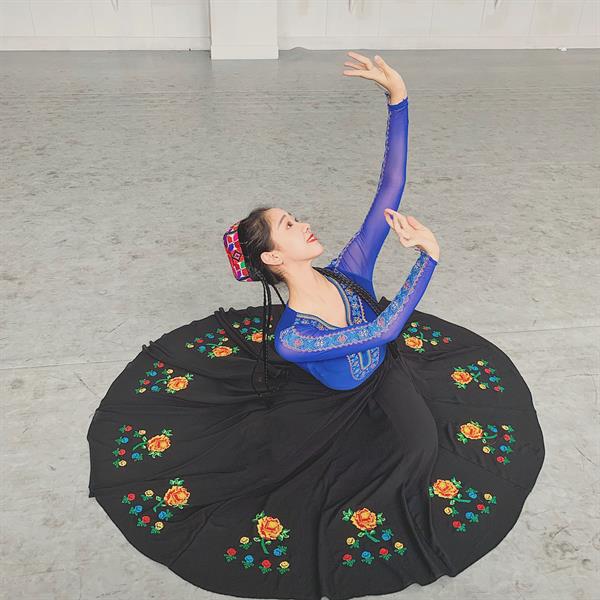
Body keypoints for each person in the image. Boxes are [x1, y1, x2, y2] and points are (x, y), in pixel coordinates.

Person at [87, 52, 545, 600]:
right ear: (273, 258)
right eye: (288, 225)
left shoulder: (350, 269)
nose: (303, 223)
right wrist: (428, 258)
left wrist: (398, 99)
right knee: (340, 472)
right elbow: (383, 330)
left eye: (295, 217)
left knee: (423, 445)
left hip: (386, 375)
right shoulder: (293, 337)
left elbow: (390, 187)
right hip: (333, 404)